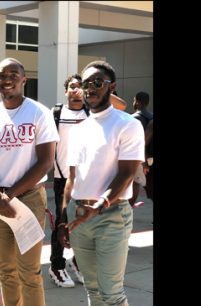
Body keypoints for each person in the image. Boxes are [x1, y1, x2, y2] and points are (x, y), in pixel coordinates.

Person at [58, 60, 144, 306]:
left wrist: (98, 205)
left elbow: (126, 173)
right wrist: (64, 217)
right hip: (79, 216)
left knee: (112, 294)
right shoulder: (79, 129)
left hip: (111, 216)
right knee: (93, 290)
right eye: (85, 84)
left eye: (97, 83)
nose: (90, 89)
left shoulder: (127, 124)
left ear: (111, 87)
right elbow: (71, 179)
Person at [0, 58, 59, 306]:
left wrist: (9, 195)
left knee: (29, 271)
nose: (8, 79)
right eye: (2, 75)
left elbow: (46, 162)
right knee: (6, 269)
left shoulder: (39, 113)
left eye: (14, 74)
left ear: (24, 79)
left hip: (29, 199)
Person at [49, 73, 87, 288]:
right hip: (62, 178)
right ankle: (57, 265)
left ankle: (78, 261)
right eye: (72, 86)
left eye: (80, 86)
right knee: (61, 224)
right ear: (66, 91)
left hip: (86, 180)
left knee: (83, 223)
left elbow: (119, 106)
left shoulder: (91, 112)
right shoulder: (56, 113)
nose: (76, 89)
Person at [129, 91, 153, 206]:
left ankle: (129, 208)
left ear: (137, 101)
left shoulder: (132, 119)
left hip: (139, 158)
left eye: (134, 100)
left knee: (134, 182)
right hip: (151, 158)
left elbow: (138, 142)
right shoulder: (152, 117)